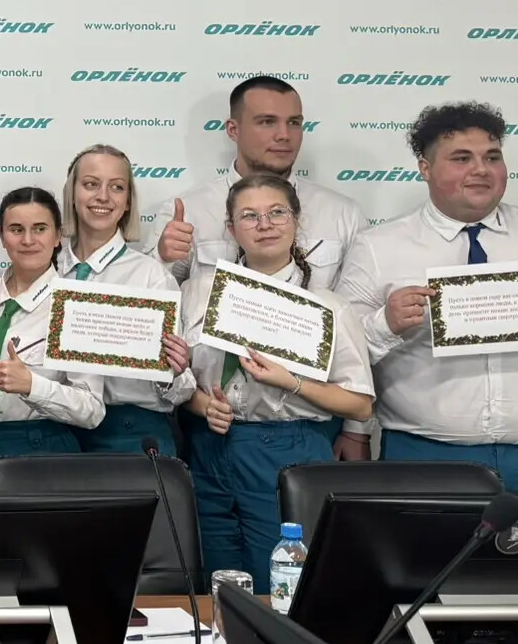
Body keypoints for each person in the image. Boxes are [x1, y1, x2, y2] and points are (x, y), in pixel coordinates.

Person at [334, 102, 518, 494]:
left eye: (492, 157)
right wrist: (385, 325)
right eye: (461, 158)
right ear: (425, 168)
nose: (481, 169)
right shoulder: (378, 246)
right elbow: (340, 356)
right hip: (424, 459)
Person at [158, 75, 372, 459]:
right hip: (209, 424)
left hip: (306, 423)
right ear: (233, 129)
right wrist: (162, 258)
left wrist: (357, 431)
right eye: (267, 122)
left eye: (294, 123)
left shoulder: (343, 213)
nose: (284, 135)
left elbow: (353, 329)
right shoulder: (187, 210)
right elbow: (162, 321)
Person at [181, 175, 375, 587]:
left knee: (281, 582)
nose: (264, 224)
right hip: (209, 446)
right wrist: (202, 404)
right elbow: (177, 377)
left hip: (289, 448)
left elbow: (360, 403)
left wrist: (293, 382)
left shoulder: (327, 307)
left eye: (277, 213)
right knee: (216, 579)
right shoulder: (197, 292)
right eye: (249, 216)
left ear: (296, 221)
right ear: (231, 229)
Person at [0, 187, 111, 489]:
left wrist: (33, 386)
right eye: (16, 229)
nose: (27, 240)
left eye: (39, 229)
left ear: (58, 235)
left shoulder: (75, 304)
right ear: (2, 237)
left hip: (44, 450)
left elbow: (92, 410)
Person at [57, 144, 196, 453]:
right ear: (71, 193)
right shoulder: (47, 271)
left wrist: (174, 372)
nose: (103, 196)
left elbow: (182, 391)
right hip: (56, 432)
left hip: (132, 435)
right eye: (91, 184)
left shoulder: (151, 277)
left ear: (128, 202)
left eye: (117, 187)